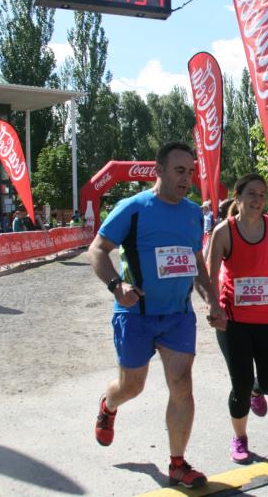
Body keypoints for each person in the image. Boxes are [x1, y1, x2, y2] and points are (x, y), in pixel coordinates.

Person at [87, 142, 226, 489]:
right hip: (136, 314)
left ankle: (178, 463)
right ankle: (108, 405)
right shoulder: (132, 208)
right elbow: (97, 250)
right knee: (131, 386)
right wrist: (117, 286)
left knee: (182, 385)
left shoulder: (193, 213)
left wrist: (212, 300)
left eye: (190, 172)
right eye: (179, 171)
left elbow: (196, 263)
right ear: (158, 171)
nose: (187, 178)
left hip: (178, 316)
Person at [206, 173, 268, 464]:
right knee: (240, 384)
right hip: (233, 321)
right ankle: (240, 438)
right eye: (251, 194)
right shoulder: (224, 232)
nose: (258, 200)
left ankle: (259, 390)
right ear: (238, 197)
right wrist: (213, 307)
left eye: (262, 194)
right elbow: (210, 275)